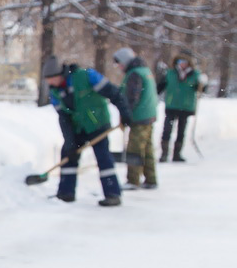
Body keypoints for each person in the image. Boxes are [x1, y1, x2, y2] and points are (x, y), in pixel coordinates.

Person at [41, 55, 132, 206]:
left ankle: (112, 194)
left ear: (59, 74)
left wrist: (125, 113)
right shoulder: (55, 92)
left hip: (98, 123)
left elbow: (114, 93)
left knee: (103, 156)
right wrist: (70, 142)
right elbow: (63, 118)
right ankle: (66, 193)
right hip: (78, 127)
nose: (49, 83)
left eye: (50, 78)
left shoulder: (87, 76)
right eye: (47, 80)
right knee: (68, 154)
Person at [112, 46, 158, 190]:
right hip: (148, 116)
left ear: (125, 61)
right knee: (147, 148)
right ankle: (151, 179)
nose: (118, 67)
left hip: (139, 117)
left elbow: (132, 98)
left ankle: (133, 180)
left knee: (135, 149)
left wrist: (126, 115)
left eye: (118, 63)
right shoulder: (145, 70)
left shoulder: (135, 74)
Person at [158, 51, 208, 162]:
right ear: (177, 62)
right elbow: (159, 87)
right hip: (171, 106)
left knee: (181, 131)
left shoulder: (195, 75)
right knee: (167, 130)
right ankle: (164, 154)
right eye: (180, 61)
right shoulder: (170, 73)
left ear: (189, 63)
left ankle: (177, 154)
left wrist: (203, 83)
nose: (182, 64)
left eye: (185, 62)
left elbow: (201, 90)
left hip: (185, 107)